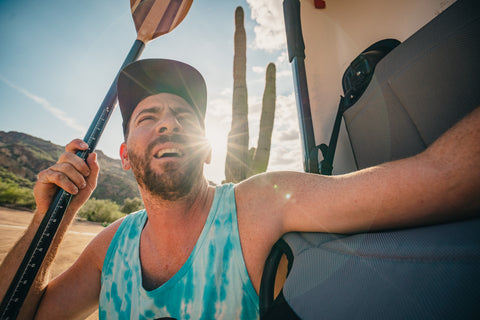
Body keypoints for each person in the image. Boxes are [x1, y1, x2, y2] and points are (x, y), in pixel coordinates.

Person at [1, 58, 479, 319]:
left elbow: (445, 178)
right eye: (149, 117)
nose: (168, 124)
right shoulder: (113, 248)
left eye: (183, 117)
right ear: (124, 156)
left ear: (207, 149)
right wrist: (53, 218)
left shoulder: (259, 204)